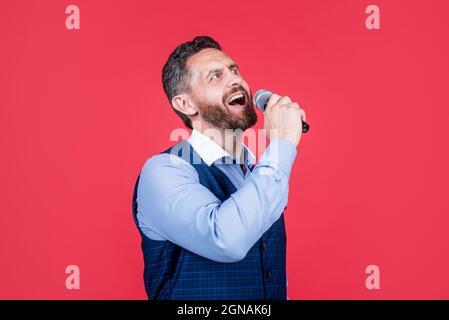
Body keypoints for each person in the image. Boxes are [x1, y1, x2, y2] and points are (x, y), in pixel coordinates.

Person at [132, 36, 307, 300]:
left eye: (234, 70)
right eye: (215, 76)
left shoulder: (259, 172)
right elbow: (225, 239)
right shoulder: (165, 170)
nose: (235, 79)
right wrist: (281, 144)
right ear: (186, 104)